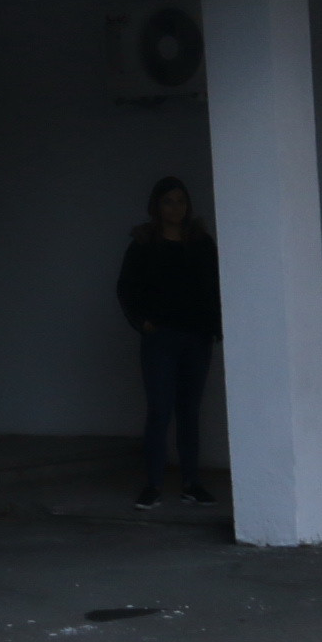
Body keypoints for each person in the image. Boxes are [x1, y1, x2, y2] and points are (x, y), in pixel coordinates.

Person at [114, 176, 220, 510]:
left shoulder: (201, 242)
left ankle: (191, 483)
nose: (176, 208)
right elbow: (126, 287)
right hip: (161, 338)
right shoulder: (144, 243)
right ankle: (154, 484)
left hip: (197, 337)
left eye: (181, 201)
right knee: (159, 411)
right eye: (168, 201)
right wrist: (143, 322)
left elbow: (215, 285)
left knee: (189, 411)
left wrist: (215, 326)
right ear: (156, 206)